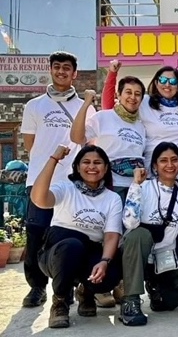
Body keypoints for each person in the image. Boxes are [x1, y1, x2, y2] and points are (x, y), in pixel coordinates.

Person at [20, 51, 92, 308]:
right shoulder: (34, 105)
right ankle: (37, 287)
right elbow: (30, 145)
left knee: (68, 235)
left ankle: (66, 287)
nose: (61, 71)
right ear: (50, 70)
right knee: (35, 234)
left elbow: (88, 143)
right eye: (57, 67)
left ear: (75, 73)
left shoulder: (85, 107)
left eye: (67, 68)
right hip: (41, 180)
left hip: (72, 185)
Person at [31, 144, 122, 329]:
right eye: (86, 162)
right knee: (73, 245)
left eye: (97, 162)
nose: (92, 166)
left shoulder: (112, 198)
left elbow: (112, 235)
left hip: (90, 252)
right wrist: (54, 159)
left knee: (112, 272)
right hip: (58, 253)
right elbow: (39, 199)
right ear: (77, 167)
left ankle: (87, 291)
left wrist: (104, 262)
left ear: (105, 168)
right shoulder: (65, 188)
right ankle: (60, 301)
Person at [119, 142, 178, 326]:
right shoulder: (143, 187)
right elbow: (130, 223)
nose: (170, 165)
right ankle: (131, 301)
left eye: (174, 160)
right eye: (163, 160)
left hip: (164, 259)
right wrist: (135, 185)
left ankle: (161, 296)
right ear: (154, 165)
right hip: (136, 256)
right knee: (139, 234)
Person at [101, 61, 178, 189]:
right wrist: (112, 74)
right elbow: (108, 107)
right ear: (156, 83)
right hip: (153, 171)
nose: (167, 84)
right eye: (163, 80)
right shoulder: (145, 102)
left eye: (173, 81)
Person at [71, 79, 146, 200]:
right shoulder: (103, 117)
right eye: (128, 92)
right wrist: (85, 105)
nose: (133, 97)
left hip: (136, 186)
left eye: (137, 94)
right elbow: (77, 138)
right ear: (118, 95)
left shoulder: (141, 125)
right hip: (110, 185)